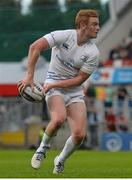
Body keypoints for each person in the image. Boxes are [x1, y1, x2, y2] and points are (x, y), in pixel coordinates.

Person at [19, 9, 100, 174]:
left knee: (79, 135)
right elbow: (35, 47)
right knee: (58, 119)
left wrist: (56, 85)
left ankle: (60, 159)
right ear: (83, 25)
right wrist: (29, 76)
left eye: (97, 24)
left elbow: (79, 80)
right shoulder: (63, 35)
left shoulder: (93, 52)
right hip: (53, 85)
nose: (98, 28)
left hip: (74, 91)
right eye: (94, 24)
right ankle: (42, 148)